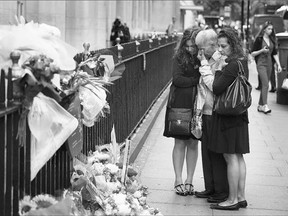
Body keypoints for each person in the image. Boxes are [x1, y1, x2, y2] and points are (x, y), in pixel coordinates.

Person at [205, 27, 250, 210]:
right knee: (238, 157)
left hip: (228, 116)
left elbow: (216, 88)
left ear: (232, 45)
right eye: (219, 46)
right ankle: (240, 196)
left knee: (230, 157)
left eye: (223, 46)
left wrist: (219, 70)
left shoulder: (231, 65)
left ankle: (231, 200)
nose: (220, 50)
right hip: (239, 115)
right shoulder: (242, 61)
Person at [163, 27, 201, 196]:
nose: (190, 49)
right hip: (180, 102)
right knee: (179, 141)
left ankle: (190, 180)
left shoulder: (204, 57)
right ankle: (178, 179)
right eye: (188, 46)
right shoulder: (179, 57)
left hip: (198, 103)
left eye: (193, 46)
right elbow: (177, 79)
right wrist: (197, 80)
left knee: (194, 142)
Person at [194, 29, 229, 203]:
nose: (200, 50)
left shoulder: (220, 59)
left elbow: (213, 84)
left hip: (216, 110)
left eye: (203, 46)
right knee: (206, 151)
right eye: (199, 47)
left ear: (213, 44)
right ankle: (210, 187)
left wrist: (203, 65)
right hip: (205, 110)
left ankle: (221, 190)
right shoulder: (205, 59)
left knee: (216, 153)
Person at [251, 21, 282, 114]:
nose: (270, 31)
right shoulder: (259, 40)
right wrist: (261, 50)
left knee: (265, 85)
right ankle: (265, 105)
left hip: (269, 64)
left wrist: (279, 65)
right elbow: (252, 53)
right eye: (269, 29)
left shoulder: (272, 39)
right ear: (264, 29)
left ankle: (260, 105)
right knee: (266, 84)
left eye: (271, 29)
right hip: (261, 64)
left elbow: (275, 53)